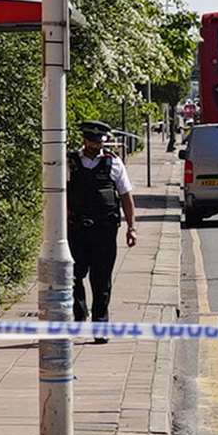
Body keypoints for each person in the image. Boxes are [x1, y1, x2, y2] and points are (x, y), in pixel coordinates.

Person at [67, 121, 137, 343]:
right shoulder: (71, 163)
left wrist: (131, 227)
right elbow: (59, 193)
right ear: (84, 140)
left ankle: (100, 324)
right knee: (74, 276)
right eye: (91, 141)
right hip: (76, 229)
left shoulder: (113, 163)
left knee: (101, 279)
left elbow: (126, 196)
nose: (95, 145)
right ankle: (79, 316)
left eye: (99, 142)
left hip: (104, 231)